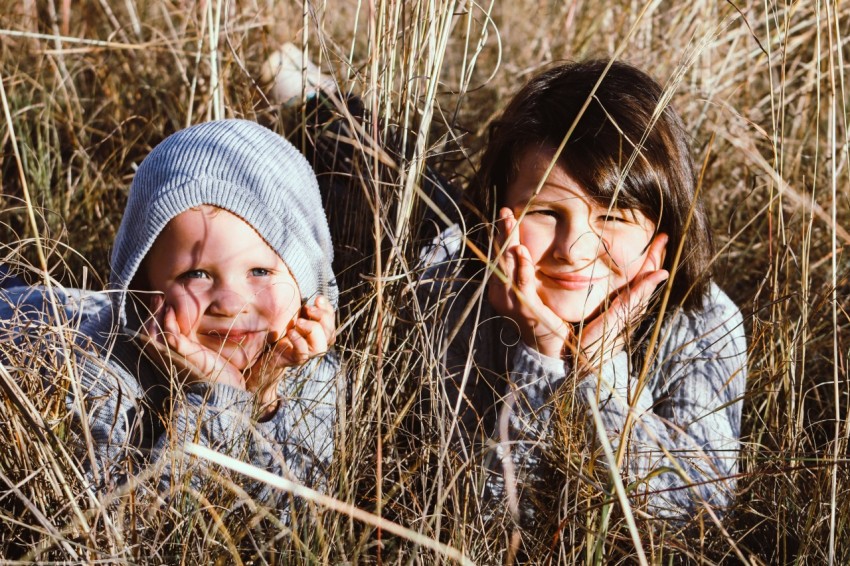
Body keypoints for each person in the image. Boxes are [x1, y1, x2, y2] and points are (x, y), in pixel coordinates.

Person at [416, 59, 747, 523]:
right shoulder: (449, 287)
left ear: (665, 227)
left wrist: (600, 372)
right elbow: (486, 520)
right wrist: (539, 355)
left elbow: (698, 516)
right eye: (545, 212)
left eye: (612, 215)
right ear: (499, 210)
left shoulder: (704, 319)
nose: (574, 250)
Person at [1, 119, 339, 508]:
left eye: (259, 272)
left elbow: (292, 516)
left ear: (306, 281)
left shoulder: (316, 378)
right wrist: (217, 398)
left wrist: (263, 394)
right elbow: (135, 525)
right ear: (143, 289)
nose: (229, 303)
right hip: (25, 318)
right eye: (195, 274)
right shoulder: (101, 377)